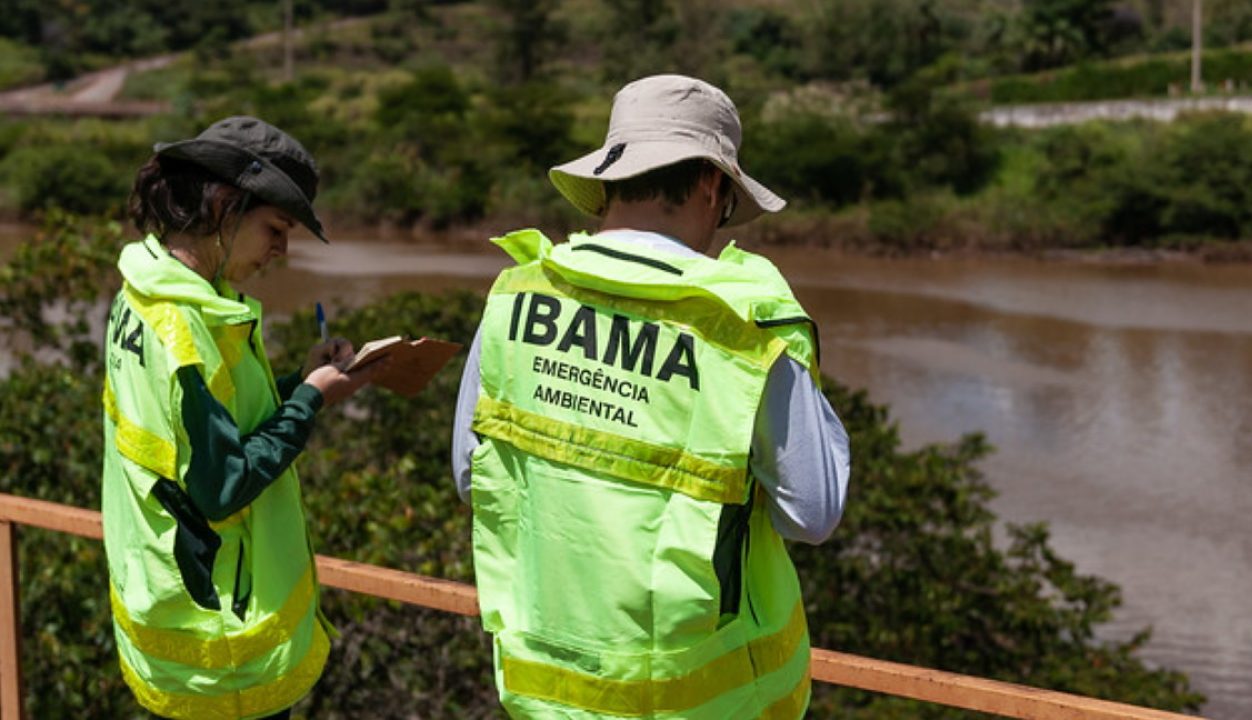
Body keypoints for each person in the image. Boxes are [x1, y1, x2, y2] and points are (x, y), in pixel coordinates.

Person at [452, 75, 850, 719]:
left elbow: (472, 478)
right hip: (706, 703)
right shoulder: (745, 321)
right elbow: (813, 512)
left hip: (546, 695)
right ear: (713, 185)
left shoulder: (517, 296)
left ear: (610, 179)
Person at [101, 116, 383, 720]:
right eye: (275, 228)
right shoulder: (186, 329)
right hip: (220, 648)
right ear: (224, 206)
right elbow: (222, 484)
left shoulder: (145, 295)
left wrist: (301, 384)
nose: (282, 251)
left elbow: (214, 424)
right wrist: (307, 404)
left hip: (176, 618)